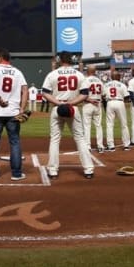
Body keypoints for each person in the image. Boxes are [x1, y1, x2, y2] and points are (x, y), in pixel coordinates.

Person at [41, 51, 95, 179]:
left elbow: (45, 93)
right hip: (73, 107)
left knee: (55, 139)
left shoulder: (53, 74)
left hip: (57, 107)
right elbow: (85, 93)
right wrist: (71, 102)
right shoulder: (79, 74)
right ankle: (88, 170)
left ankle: (53, 171)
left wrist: (59, 103)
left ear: (60, 60)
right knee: (80, 138)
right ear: (71, 60)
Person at [0, 48, 28, 181]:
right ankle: (16, 173)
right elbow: (24, 89)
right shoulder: (18, 72)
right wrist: (22, 108)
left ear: (1, 57)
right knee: (14, 142)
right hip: (13, 112)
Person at [103, 69, 129, 151]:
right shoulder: (122, 85)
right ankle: (126, 145)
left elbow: (103, 96)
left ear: (111, 77)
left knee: (109, 125)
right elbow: (127, 97)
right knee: (124, 124)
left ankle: (111, 146)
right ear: (118, 77)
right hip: (119, 102)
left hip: (110, 103)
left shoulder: (106, 85)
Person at [81, 65, 105, 152]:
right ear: (95, 71)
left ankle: (88, 146)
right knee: (98, 126)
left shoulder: (85, 80)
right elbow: (104, 94)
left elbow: (82, 94)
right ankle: (100, 146)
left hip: (88, 104)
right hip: (98, 104)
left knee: (87, 126)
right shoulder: (100, 81)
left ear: (88, 71)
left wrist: (90, 100)